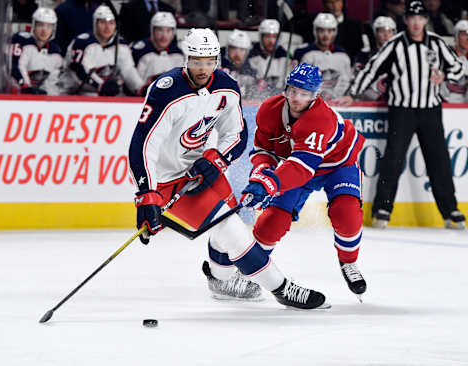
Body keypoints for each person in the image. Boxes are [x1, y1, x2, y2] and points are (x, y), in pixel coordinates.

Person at [128, 28, 329, 310]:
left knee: (228, 231)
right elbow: (142, 145)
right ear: (187, 58)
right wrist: (147, 195)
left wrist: (216, 158)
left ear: (218, 59)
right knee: (230, 229)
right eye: (197, 61)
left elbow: (236, 134)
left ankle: (220, 280)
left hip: (202, 168)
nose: (203, 68)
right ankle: (283, 289)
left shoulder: (226, 86)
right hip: (166, 180)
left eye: (210, 61)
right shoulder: (166, 90)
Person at [238, 63, 367, 301]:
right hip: (295, 166)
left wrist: (268, 183)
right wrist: (261, 174)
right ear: (286, 88)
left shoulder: (320, 118)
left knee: (346, 213)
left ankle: (349, 262)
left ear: (315, 95)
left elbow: (302, 168)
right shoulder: (269, 109)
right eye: (293, 90)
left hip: (337, 164)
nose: (297, 98)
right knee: (271, 223)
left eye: (305, 93)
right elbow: (261, 150)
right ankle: (248, 274)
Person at [335, 1, 466, 230]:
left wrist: (444, 75)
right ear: (405, 20)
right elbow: (372, 68)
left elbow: (459, 68)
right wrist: (353, 95)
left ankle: (450, 210)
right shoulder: (395, 45)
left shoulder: (436, 43)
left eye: (420, 18)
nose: (416, 23)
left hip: (430, 111)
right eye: (412, 18)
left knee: (439, 160)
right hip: (402, 110)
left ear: (425, 20)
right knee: (393, 159)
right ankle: (382, 209)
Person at [63, 5, 144, 96]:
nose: (107, 27)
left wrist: (140, 88)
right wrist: (101, 85)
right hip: (79, 95)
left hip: (109, 95)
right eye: (102, 22)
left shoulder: (122, 45)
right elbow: (79, 71)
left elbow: (128, 70)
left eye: (111, 23)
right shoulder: (82, 43)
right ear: (95, 23)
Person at [293, 13, 352, 101]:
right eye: (321, 31)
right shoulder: (304, 53)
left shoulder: (343, 55)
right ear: (315, 31)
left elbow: (347, 82)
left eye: (330, 31)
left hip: (338, 105)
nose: (326, 35)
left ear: (335, 32)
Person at [10, 7, 63, 95]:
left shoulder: (55, 52)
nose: (44, 30)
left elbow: (51, 83)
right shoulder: (22, 40)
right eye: (40, 25)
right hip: (16, 95)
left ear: (53, 29)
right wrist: (26, 86)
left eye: (49, 26)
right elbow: (17, 66)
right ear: (33, 25)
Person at [131, 12, 184, 88]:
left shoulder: (178, 54)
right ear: (152, 30)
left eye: (168, 31)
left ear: (173, 33)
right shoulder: (139, 51)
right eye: (160, 30)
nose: (164, 36)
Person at [352, 16, 397, 101]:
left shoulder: (400, 56)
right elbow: (357, 82)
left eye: (389, 31)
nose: (386, 35)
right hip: (369, 103)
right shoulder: (365, 56)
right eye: (382, 31)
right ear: (375, 33)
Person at [248, 19, 288, 91]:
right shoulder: (251, 55)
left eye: (274, 37)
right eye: (267, 36)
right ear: (261, 37)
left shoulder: (286, 56)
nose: (271, 41)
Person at [220, 29, 257, 99]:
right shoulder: (218, 68)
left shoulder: (253, 70)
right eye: (233, 48)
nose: (237, 54)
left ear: (247, 52)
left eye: (242, 49)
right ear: (227, 49)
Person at [440, 20, 468, 103]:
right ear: (456, 37)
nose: (467, 38)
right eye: (464, 34)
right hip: (443, 105)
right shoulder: (443, 55)